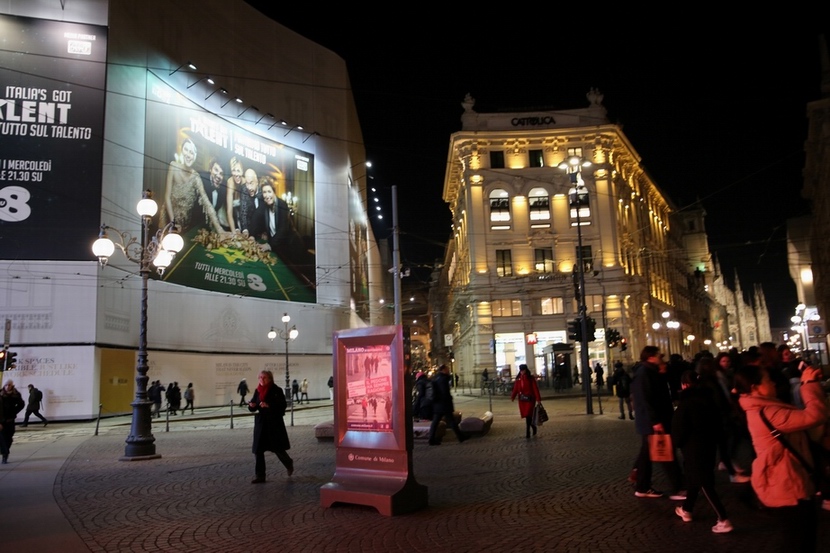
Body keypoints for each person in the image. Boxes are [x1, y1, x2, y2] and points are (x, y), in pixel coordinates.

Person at [734, 360, 828, 552]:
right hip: (787, 485)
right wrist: (808, 385)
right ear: (755, 388)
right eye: (768, 380)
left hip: (788, 480)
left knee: (800, 538)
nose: (773, 383)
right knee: (798, 541)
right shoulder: (769, 412)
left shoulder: (762, 407)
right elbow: (815, 415)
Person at [672, 370, 734, 533]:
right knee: (695, 478)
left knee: (704, 482)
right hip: (709, 445)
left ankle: (723, 518)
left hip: (693, 448)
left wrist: (677, 443)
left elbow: (678, 431)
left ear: (684, 385)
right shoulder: (709, 400)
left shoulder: (685, 404)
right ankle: (687, 509)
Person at [630, 345, 685, 499]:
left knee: (647, 455)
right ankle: (678, 487)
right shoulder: (644, 374)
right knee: (666, 453)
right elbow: (646, 399)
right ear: (651, 357)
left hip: (654, 420)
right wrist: (655, 421)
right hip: (653, 421)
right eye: (659, 356)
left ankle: (642, 486)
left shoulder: (651, 372)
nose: (662, 359)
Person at [248, 370, 293, 483]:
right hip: (261, 424)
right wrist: (252, 406)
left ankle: (288, 463)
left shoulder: (277, 390)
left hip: (273, 424)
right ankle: (260, 476)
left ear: (270, 378)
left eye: (264, 378)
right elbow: (254, 405)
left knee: (277, 448)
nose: (262, 380)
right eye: (260, 377)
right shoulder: (257, 390)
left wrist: (268, 405)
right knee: (258, 449)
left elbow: (282, 406)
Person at [428, 364, 470, 445]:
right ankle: (460, 437)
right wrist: (449, 400)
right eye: (447, 369)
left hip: (438, 404)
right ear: (443, 370)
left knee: (437, 422)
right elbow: (445, 392)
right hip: (443, 404)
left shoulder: (436, 378)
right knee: (451, 421)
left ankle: (432, 439)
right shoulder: (443, 379)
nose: (448, 370)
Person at [511, 364, 542, 439]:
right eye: (521, 370)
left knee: (528, 414)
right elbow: (515, 388)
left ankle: (527, 431)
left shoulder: (530, 378)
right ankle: (533, 426)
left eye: (523, 370)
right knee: (526, 415)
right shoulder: (518, 379)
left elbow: (535, 388)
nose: (522, 372)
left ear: (526, 370)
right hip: (522, 400)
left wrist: (538, 399)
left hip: (530, 400)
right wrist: (513, 396)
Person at [0, 379, 25, 464]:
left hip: (10, 420)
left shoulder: (15, 395)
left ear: (12, 386)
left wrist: (14, 411)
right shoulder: (0, 394)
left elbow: (21, 404)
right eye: (6, 385)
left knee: (9, 438)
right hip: (1, 420)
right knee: (2, 439)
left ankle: (5, 452)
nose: (7, 386)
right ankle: (5, 455)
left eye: (9, 385)